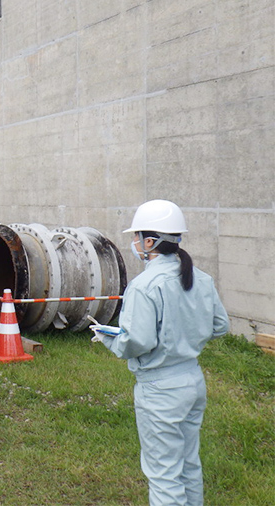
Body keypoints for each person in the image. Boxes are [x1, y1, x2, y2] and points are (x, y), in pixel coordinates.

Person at [92, 200, 229, 506]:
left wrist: (108, 338)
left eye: (138, 236)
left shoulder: (144, 285)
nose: (135, 243)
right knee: (188, 462)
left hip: (160, 388)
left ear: (149, 242)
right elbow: (220, 325)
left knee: (164, 474)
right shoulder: (200, 278)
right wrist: (188, 336)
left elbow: (135, 342)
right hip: (193, 380)